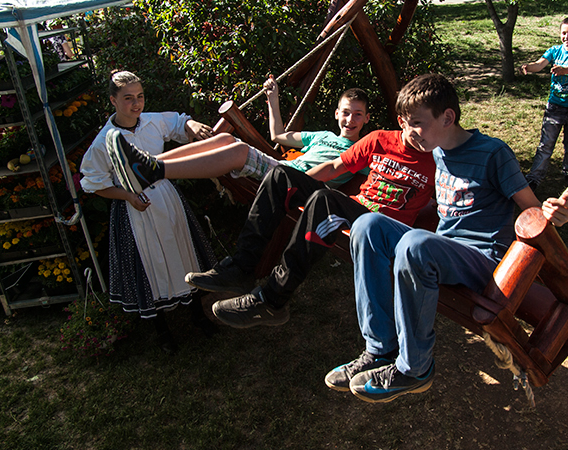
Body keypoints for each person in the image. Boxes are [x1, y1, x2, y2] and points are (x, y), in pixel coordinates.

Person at [323, 73, 568, 403]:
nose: (409, 132)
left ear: (447, 117)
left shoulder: (493, 153)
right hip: (444, 252)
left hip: (484, 261)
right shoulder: (436, 150)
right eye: (406, 124)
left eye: (417, 123)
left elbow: (531, 208)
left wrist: (555, 213)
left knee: (415, 245)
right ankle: (379, 349)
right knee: (367, 226)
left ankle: (415, 369)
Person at [174, 78, 439, 330]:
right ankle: (241, 266)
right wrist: (294, 184)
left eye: (427, 125)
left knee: (324, 200)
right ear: (401, 121)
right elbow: (334, 167)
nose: (420, 133)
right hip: (357, 209)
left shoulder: (440, 160)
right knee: (281, 174)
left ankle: (272, 299)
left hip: (384, 226)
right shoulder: (380, 139)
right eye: (413, 123)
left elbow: (450, 203)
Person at [79, 70, 218, 353]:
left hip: (166, 199)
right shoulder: (104, 141)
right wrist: (128, 196)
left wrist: (191, 124)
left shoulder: (152, 121)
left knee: (183, 254)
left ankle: (198, 316)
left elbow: (178, 122)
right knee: (149, 265)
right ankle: (162, 331)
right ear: (113, 100)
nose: (136, 104)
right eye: (128, 98)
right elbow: (94, 184)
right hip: (135, 210)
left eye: (140, 96)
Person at [106, 75, 371, 194]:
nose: (350, 120)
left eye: (358, 115)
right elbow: (278, 135)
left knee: (239, 151)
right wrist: (273, 99)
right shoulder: (321, 135)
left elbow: (383, 172)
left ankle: (153, 171)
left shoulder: (365, 150)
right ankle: (149, 164)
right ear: (337, 113)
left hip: (300, 186)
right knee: (224, 140)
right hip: (285, 171)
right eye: (346, 112)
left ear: (367, 119)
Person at [520, 16, 568, 191]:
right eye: (564, 33)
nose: (567, 37)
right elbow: (540, 64)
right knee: (545, 145)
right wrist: (528, 67)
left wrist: (564, 70)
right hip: (555, 106)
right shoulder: (554, 50)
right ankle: (534, 178)